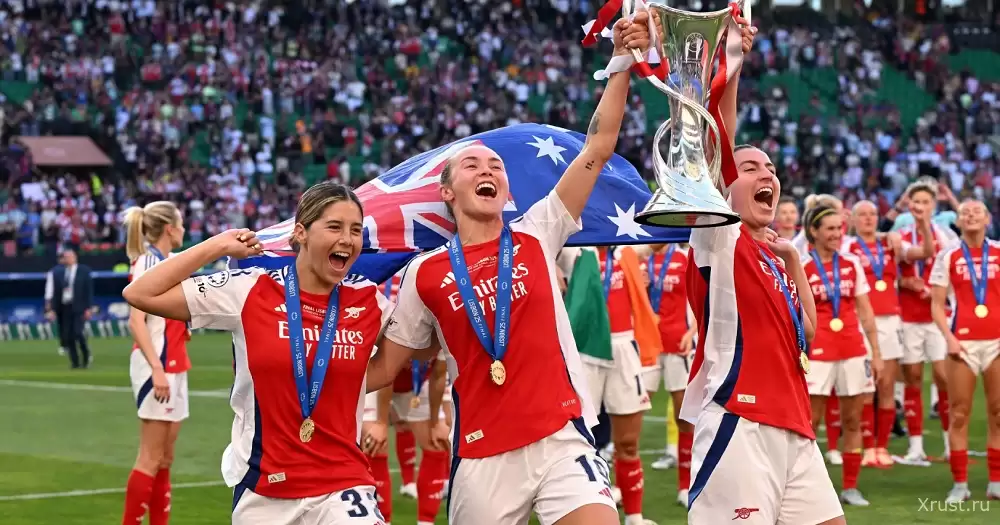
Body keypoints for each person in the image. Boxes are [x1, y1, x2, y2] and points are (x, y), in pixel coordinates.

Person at [365, 13, 651, 525]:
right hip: (482, 454)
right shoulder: (425, 273)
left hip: (561, 439)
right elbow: (386, 367)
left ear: (507, 189)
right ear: (447, 193)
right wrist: (301, 378)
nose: (488, 169)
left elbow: (598, 146)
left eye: (495, 166)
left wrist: (622, 62)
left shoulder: (538, 231)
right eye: (472, 165)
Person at [122, 182, 398, 525]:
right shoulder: (250, 289)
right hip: (264, 490)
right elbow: (140, 293)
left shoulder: (368, 300)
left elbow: (409, 350)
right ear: (301, 233)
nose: (347, 239)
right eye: (334, 227)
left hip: (342, 484)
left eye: (356, 230)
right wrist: (217, 245)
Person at [800, 204, 883, 506]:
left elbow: (866, 311)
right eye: (831, 229)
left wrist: (876, 353)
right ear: (814, 232)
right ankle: (807, 488)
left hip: (852, 349)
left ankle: (850, 487)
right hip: (817, 352)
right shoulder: (801, 266)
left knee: (852, 420)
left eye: (840, 228)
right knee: (810, 423)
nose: (837, 234)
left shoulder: (851, 263)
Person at [844, 200, 931, 468]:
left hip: (891, 321)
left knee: (887, 386)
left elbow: (925, 252)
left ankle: (882, 446)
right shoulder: (847, 247)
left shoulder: (891, 244)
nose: (868, 218)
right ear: (853, 220)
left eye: (872, 214)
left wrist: (923, 224)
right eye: (862, 215)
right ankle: (868, 447)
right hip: (859, 321)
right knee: (865, 388)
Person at [119, 201, 191, 525]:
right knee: (150, 456)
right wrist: (157, 370)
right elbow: (137, 322)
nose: (184, 229)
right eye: (181, 224)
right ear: (170, 229)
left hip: (175, 363)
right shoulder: (147, 262)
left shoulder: (168, 261)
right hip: (157, 366)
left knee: (165, 458)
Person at [928, 199, 1000, 502]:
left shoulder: (999, 252)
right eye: (965, 212)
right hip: (962, 343)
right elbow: (936, 304)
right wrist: (949, 338)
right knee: (959, 413)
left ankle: (996, 482)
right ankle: (960, 484)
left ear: (987, 219)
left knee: (998, 412)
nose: (970, 215)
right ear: (958, 221)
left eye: (977, 211)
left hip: (997, 341)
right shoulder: (948, 255)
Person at [895, 179, 958, 465]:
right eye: (916, 202)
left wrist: (941, 292)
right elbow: (894, 269)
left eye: (925, 202)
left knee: (944, 378)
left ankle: (950, 443)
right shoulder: (901, 235)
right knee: (913, 378)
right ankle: (915, 447)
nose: (920, 206)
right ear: (909, 205)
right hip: (909, 316)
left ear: (934, 205)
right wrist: (903, 282)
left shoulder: (946, 235)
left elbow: (955, 270)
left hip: (937, 317)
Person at [642, 242, 697, 507]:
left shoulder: (685, 258)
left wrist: (692, 332)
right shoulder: (640, 258)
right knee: (631, 411)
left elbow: (702, 298)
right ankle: (618, 488)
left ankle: (686, 486)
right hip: (648, 346)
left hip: (679, 345)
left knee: (683, 417)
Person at [44, 248, 94, 369]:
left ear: (74, 257)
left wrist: (88, 308)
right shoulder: (60, 273)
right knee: (68, 335)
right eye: (65, 257)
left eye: (68, 257)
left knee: (78, 332)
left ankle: (86, 355)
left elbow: (88, 291)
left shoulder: (83, 271)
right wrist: (53, 309)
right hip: (65, 307)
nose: (66, 259)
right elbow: (56, 293)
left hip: (79, 307)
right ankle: (75, 362)